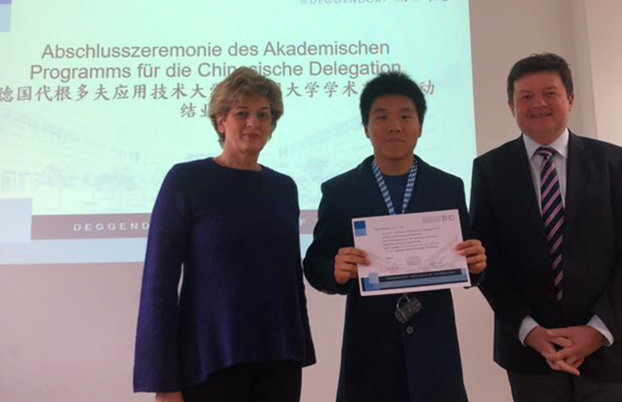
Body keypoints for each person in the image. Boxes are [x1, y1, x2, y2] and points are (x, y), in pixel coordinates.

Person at [470, 53, 622, 402]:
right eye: (526, 96)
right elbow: (486, 264)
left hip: (610, 351)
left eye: (550, 93)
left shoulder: (613, 162)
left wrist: (596, 331)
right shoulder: (489, 170)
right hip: (532, 356)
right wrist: (530, 331)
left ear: (570, 99)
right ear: (511, 106)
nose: (538, 104)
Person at [133, 67, 315, 402]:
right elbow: (159, 285)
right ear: (220, 121)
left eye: (264, 114)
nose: (254, 123)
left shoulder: (283, 187)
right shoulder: (186, 181)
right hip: (210, 362)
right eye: (242, 113)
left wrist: (299, 348)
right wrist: (164, 381)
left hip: (279, 362)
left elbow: (290, 278)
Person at [303, 71, 487, 402]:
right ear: (366, 127)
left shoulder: (447, 187)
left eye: (406, 116)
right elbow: (315, 263)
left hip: (434, 349)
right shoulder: (340, 191)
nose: (395, 126)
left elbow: (468, 259)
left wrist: (476, 264)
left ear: (420, 126)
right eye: (382, 117)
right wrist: (334, 270)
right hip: (368, 351)